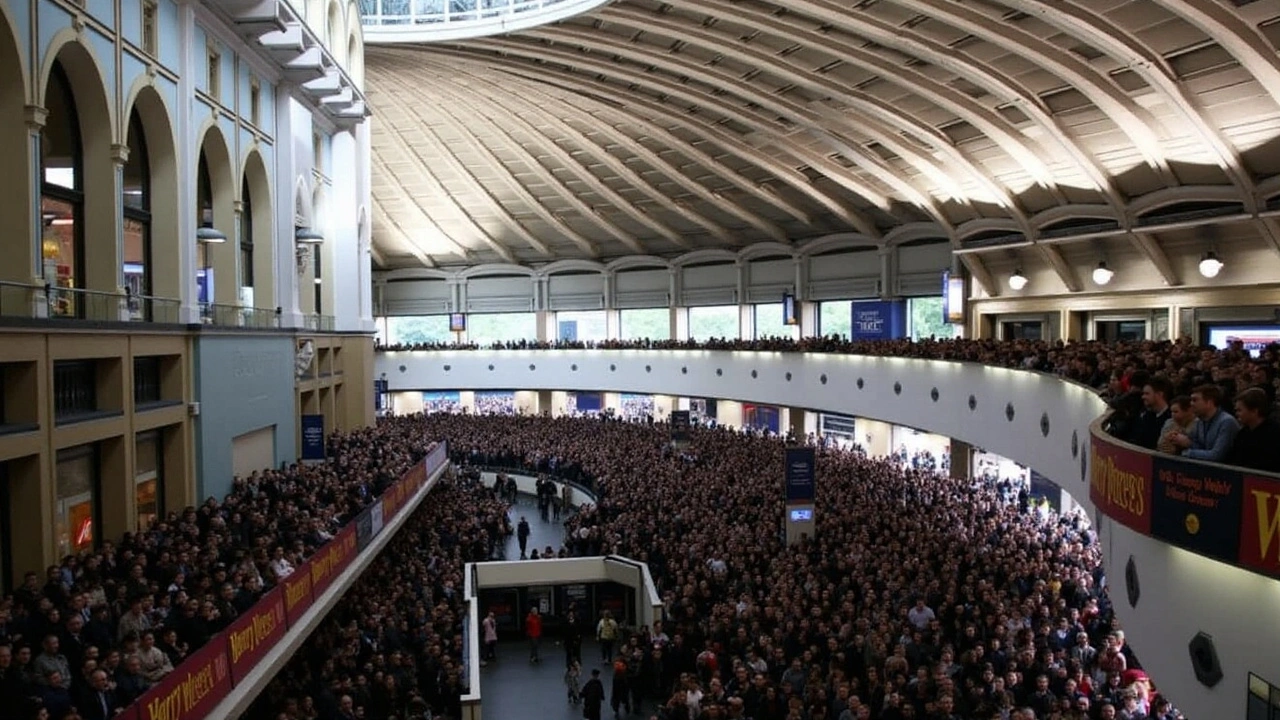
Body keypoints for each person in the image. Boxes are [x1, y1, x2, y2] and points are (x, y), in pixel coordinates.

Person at [1169, 384, 1239, 462]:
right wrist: (1184, 442)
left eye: (1195, 400)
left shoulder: (1226, 422)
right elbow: (1200, 447)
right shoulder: (1199, 421)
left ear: (1209, 402)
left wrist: (1187, 452)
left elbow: (1216, 455)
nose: (1191, 404)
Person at [1228, 386, 1280, 472]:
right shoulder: (1242, 433)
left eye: (1239, 410)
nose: (1236, 414)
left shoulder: (1275, 433)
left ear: (1254, 411)